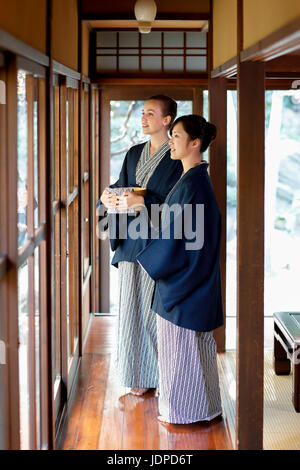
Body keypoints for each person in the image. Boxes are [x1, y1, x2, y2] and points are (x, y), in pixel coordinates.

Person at [136, 114, 223, 423]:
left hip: (185, 281)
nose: (170, 142)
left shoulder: (194, 183)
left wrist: (153, 263)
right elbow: (175, 229)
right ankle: (205, 407)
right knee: (194, 351)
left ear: (195, 143)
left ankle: (186, 412)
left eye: (176, 136)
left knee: (182, 350)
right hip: (191, 275)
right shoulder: (192, 179)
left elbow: (178, 236)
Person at [97, 95, 183, 396]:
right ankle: (139, 374)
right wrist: (107, 197)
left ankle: (165, 377)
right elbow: (122, 185)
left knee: (155, 312)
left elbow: (180, 204)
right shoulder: (134, 152)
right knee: (132, 312)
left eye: (150, 113)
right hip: (132, 242)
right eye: (142, 112)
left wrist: (144, 201)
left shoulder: (177, 157)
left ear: (167, 120)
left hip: (159, 245)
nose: (143, 117)